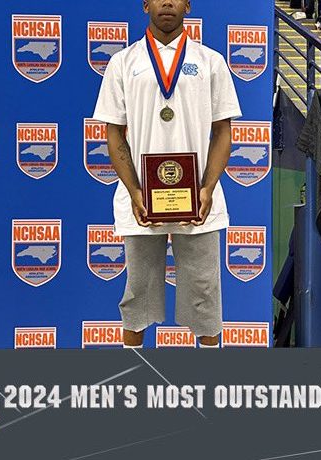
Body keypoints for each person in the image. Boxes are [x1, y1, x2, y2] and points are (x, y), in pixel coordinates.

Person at [92, 0, 241, 348]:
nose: (167, 3)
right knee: (137, 295)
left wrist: (207, 187)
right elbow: (114, 134)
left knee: (205, 296)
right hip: (141, 200)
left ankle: (208, 380)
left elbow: (223, 132)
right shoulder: (123, 62)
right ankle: (135, 378)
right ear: (146, 4)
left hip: (199, 199)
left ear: (188, 5)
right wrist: (134, 190)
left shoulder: (211, 62)